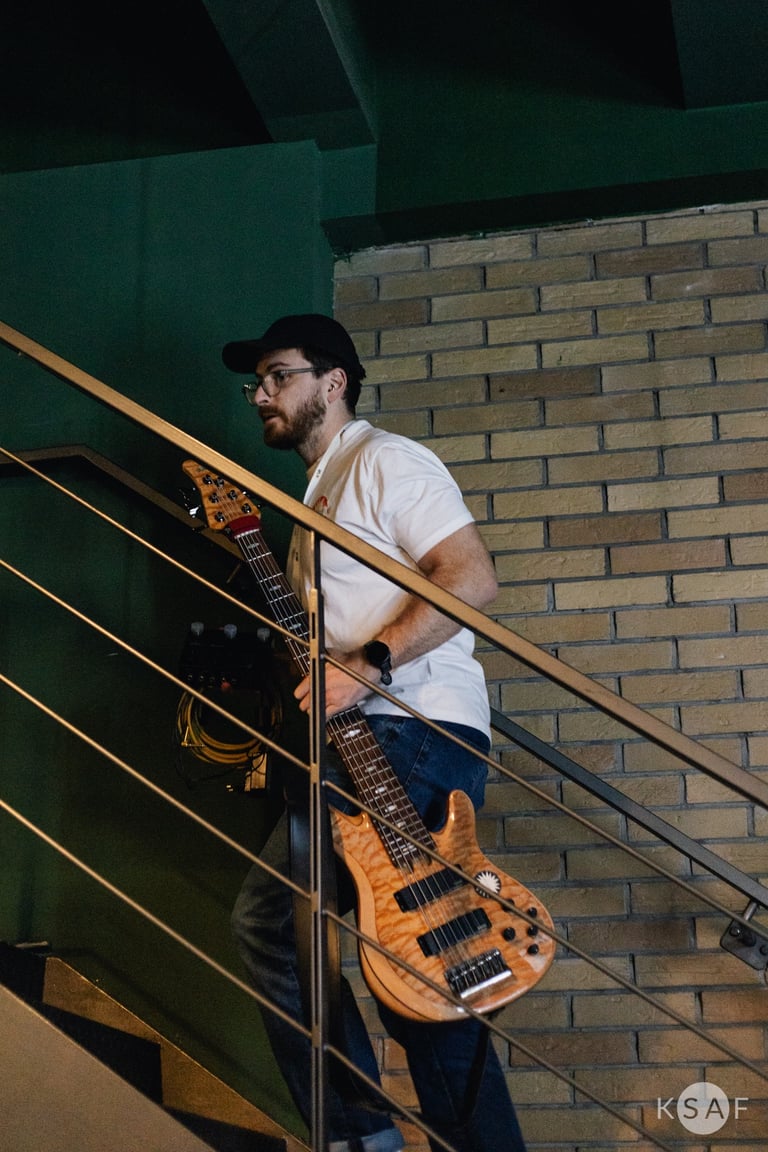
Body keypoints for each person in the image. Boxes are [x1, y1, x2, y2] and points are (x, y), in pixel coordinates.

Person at [223, 314, 527, 1152]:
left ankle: (361, 1134)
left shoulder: (384, 460)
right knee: (417, 968)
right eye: (256, 383)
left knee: (299, 931)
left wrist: (369, 664)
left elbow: (472, 577)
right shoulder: (318, 495)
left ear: (333, 382)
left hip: (409, 727)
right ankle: (379, 1132)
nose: (261, 394)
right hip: (381, 729)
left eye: (278, 375)